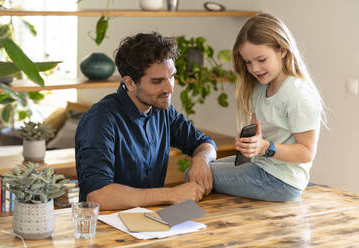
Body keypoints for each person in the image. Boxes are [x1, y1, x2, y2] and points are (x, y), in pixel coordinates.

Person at [75, 32, 217, 210]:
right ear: (130, 83)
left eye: (171, 77)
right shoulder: (100, 120)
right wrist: (171, 194)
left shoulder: (162, 110)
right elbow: (98, 195)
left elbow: (204, 143)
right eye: (157, 81)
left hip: (152, 221)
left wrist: (202, 160)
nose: (169, 88)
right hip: (107, 227)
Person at [210, 13, 325, 201]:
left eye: (261, 60)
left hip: (282, 180)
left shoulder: (297, 94)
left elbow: (306, 153)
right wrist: (251, 144)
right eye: (248, 62)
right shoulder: (260, 86)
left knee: (197, 174)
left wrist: (265, 147)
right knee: (200, 167)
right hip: (262, 165)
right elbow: (259, 135)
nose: (255, 69)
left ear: (282, 50)